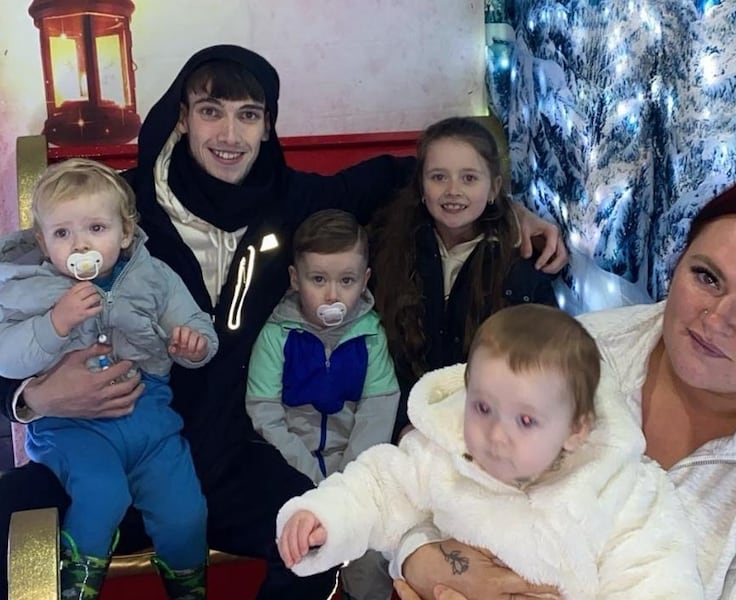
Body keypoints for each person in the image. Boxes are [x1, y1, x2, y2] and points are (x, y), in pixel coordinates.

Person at [0, 45, 568, 599]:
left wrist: (507, 209)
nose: (229, 135)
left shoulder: (291, 201)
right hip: (106, 452)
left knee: (316, 536)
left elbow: (409, 175)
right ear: (182, 116)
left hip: (228, 462)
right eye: (211, 112)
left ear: (268, 126)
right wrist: (36, 396)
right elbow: (14, 295)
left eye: (248, 115)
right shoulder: (113, 208)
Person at [395, 172, 736, 599]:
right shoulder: (584, 349)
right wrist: (422, 559)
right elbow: (415, 482)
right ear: (677, 263)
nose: (716, 318)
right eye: (707, 277)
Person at [276, 304, 704, 599]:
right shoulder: (446, 455)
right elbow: (380, 486)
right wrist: (324, 517)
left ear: (575, 430)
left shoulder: (624, 492)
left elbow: (656, 580)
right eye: (482, 407)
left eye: (526, 420)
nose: (496, 434)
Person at [0, 159, 217, 599]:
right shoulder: (28, 287)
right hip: (70, 428)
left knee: (186, 512)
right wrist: (54, 324)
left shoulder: (153, 275)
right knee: (103, 494)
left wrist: (193, 345)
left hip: (148, 414)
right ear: (43, 242)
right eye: (62, 234)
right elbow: (6, 356)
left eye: (95, 228)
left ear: (125, 231)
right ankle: (79, 579)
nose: (80, 243)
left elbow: (194, 321)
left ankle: (188, 584)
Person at [369, 117, 559, 442]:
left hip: (485, 428)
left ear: (494, 189)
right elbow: (380, 353)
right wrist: (404, 421)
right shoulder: (388, 248)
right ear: (421, 185)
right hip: (401, 423)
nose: (453, 191)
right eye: (438, 177)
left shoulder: (523, 268)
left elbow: (536, 365)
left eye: (469, 178)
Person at [246, 209, 399, 600]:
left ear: (364, 281)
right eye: (319, 280)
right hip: (291, 466)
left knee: (371, 553)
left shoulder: (371, 336)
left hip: (355, 469)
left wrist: (348, 482)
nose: (333, 295)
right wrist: (309, 478)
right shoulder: (276, 335)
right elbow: (265, 413)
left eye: (346, 281)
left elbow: (377, 411)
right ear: (296, 280)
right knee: (298, 547)